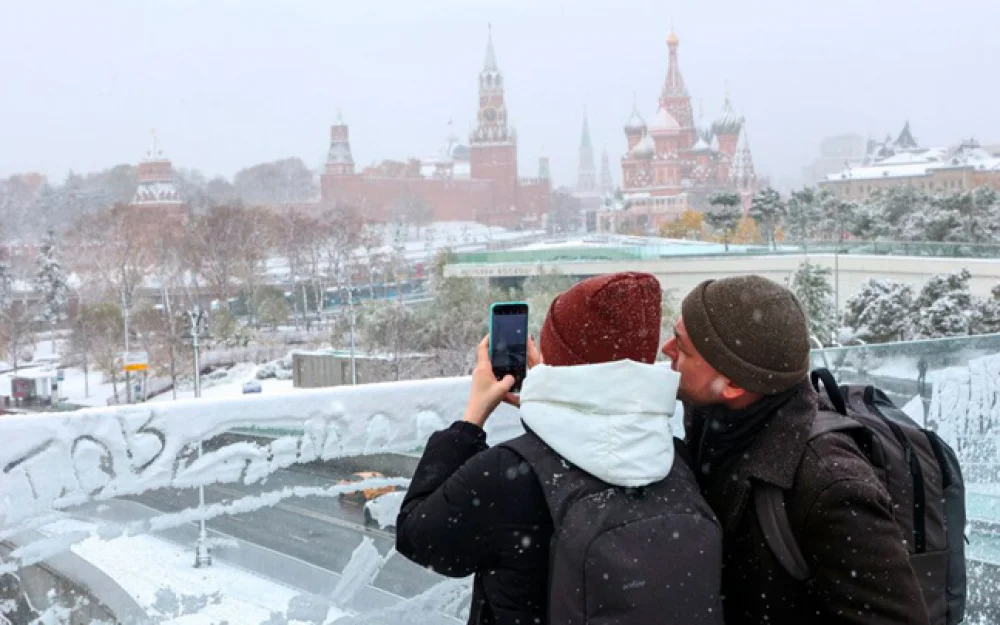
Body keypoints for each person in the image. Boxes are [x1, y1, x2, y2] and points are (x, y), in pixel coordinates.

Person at [396, 272, 720, 625]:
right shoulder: (672, 457)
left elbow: (418, 536)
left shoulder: (505, 474)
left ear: (557, 358)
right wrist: (552, 403)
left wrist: (471, 419)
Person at [661, 275, 931, 625]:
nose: (666, 348)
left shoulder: (831, 484)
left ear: (732, 384)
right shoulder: (715, 424)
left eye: (682, 347)